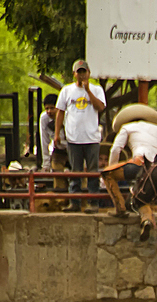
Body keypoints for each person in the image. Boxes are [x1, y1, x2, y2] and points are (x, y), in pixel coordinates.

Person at [102, 104, 157, 226]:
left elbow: (115, 149)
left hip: (139, 163)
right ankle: (146, 219)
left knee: (107, 173)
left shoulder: (127, 127)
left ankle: (120, 208)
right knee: (141, 192)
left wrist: (112, 166)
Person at [54, 59, 106, 212]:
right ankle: (75, 202)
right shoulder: (67, 91)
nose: (82, 75)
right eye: (79, 72)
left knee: (92, 172)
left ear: (89, 73)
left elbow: (100, 107)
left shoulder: (96, 90)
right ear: (74, 74)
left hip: (91, 138)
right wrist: (57, 134)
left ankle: (93, 202)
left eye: (84, 72)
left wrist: (88, 90)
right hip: (73, 138)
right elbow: (60, 113)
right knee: (75, 172)